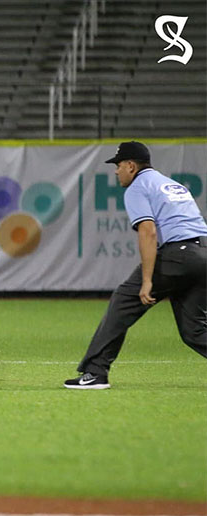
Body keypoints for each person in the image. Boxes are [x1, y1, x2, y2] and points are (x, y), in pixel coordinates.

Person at [64, 141, 207, 390]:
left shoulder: (138, 186)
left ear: (131, 166)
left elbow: (148, 232)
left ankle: (96, 373)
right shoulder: (170, 184)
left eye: (118, 165)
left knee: (122, 302)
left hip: (179, 254)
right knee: (194, 330)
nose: (116, 171)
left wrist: (148, 280)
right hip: (203, 253)